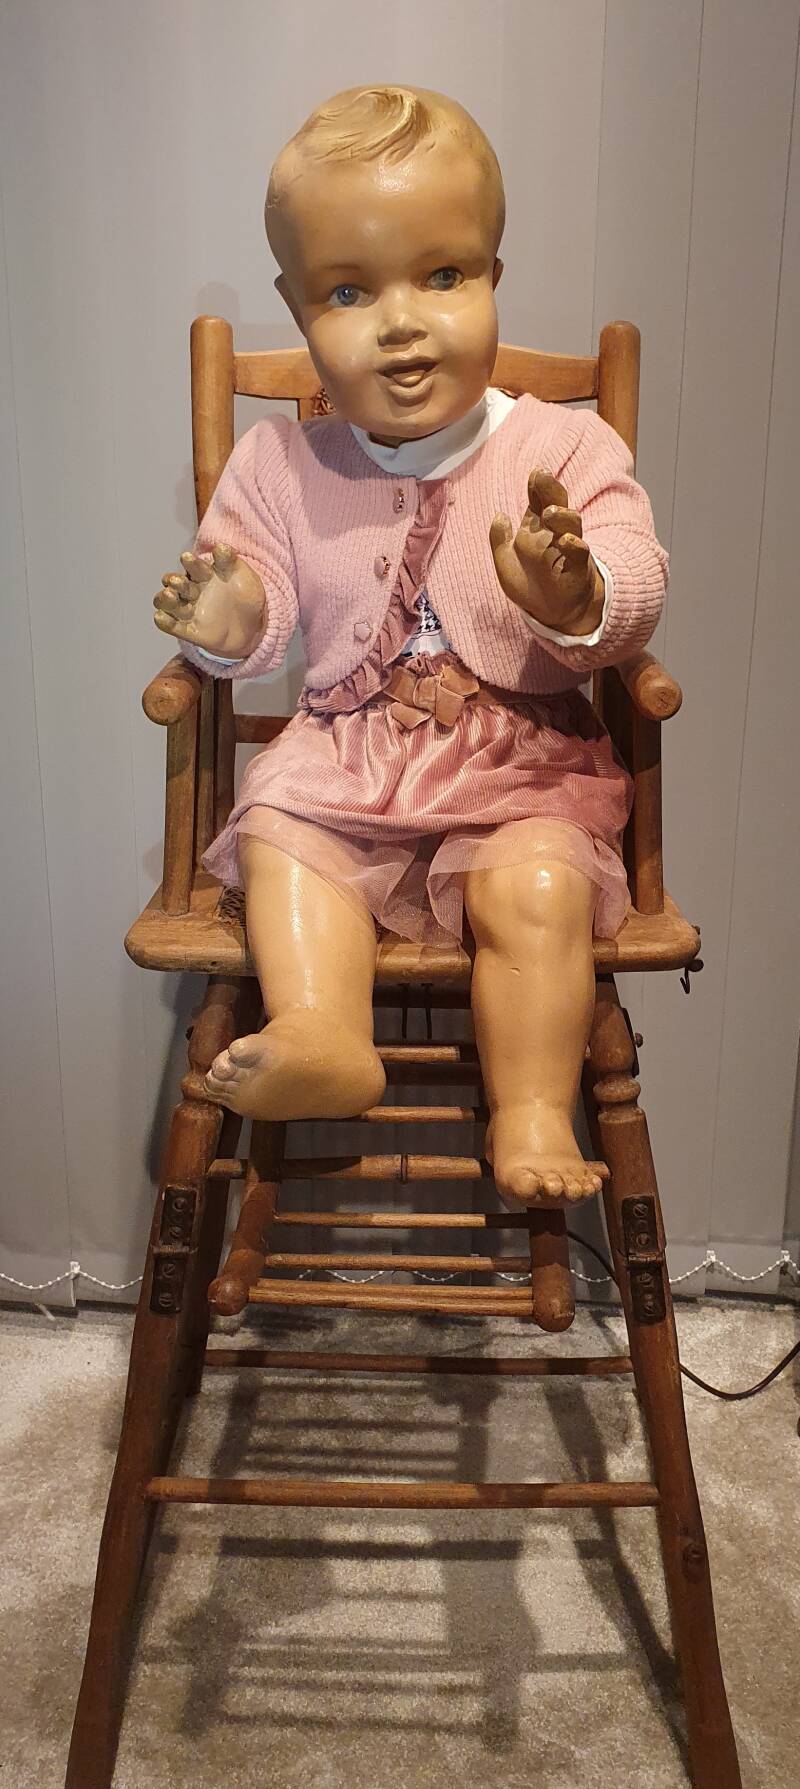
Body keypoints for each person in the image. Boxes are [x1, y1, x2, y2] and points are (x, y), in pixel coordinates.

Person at [153, 83, 668, 1206]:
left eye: (442, 275)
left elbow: (636, 581)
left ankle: (532, 1106)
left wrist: (577, 589)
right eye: (349, 291)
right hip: (346, 755)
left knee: (538, 889)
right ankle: (323, 1032)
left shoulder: (560, 446)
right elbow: (257, 592)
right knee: (283, 834)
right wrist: (231, 619)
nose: (401, 322)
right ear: (298, 311)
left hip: (522, 764)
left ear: (493, 273)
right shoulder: (280, 464)